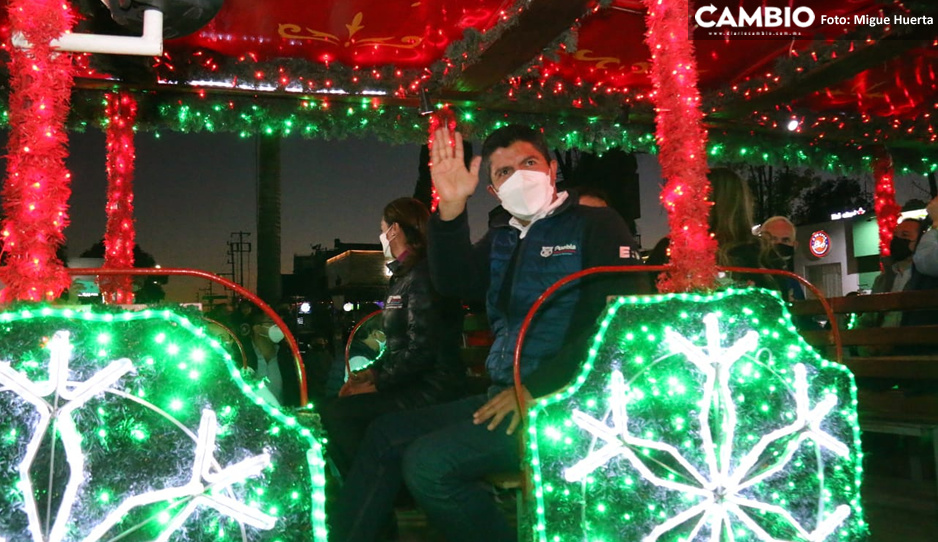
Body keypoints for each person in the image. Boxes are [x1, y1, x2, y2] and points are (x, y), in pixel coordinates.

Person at [329, 125, 645, 542]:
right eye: (503, 172)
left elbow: (617, 322)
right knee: (384, 435)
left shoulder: (597, 224)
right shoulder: (504, 236)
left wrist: (536, 389)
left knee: (429, 464)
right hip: (502, 394)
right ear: (494, 190)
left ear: (552, 169)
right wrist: (452, 210)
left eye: (528, 163)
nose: (519, 176)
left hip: (566, 402)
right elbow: (454, 282)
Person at [320, 197, 465, 476]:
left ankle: (381, 495)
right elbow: (398, 345)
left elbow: (422, 350)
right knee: (333, 408)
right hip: (412, 383)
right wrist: (372, 374)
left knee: (336, 414)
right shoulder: (402, 276)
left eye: (382, 228)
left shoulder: (424, 275)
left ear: (394, 230)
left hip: (432, 388)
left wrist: (379, 385)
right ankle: (376, 492)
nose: (381, 235)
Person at [238, 307, 304, 407]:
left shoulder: (284, 356)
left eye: (278, 322)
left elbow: (293, 392)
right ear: (257, 328)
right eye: (271, 322)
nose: (277, 327)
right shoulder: (244, 356)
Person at [757, 215, 805, 301]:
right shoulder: (751, 273)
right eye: (772, 239)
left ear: (794, 245)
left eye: (785, 240)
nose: (779, 244)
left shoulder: (792, 281)